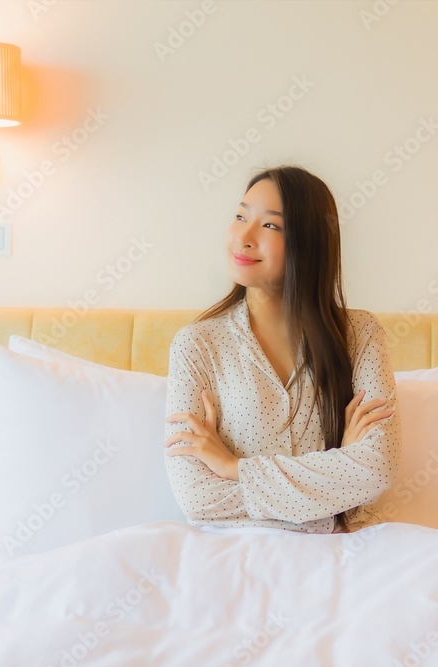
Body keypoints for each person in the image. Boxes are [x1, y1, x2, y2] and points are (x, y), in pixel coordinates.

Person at [162, 165, 401, 534]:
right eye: (240, 216)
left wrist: (234, 469)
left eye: (270, 225)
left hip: (343, 559)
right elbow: (197, 497)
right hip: (235, 557)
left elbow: (378, 467)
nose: (243, 237)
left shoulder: (361, 334)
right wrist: (337, 482)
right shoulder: (197, 346)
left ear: (309, 243)